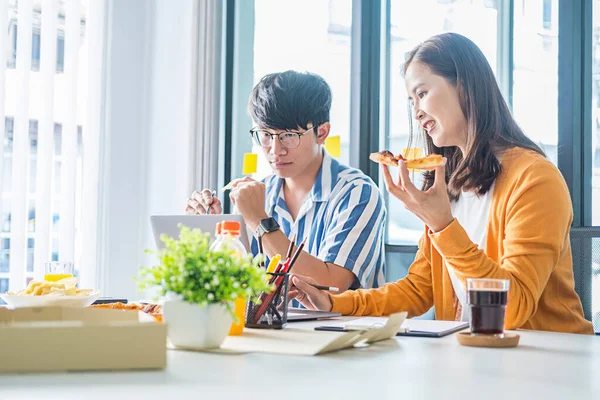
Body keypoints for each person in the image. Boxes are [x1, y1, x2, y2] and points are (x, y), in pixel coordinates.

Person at [290, 33, 594, 334]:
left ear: (464, 86)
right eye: (412, 100)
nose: (417, 111)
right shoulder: (448, 183)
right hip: (474, 359)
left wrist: (443, 225)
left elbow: (511, 308)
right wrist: (332, 302)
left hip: (548, 362)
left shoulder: (534, 179)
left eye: (422, 93)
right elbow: (417, 291)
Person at [186, 71, 386, 291]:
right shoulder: (259, 195)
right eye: (265, 135)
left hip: (342, 326)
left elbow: (332, 287)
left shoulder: (357, 193)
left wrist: (260, 221)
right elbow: (236, 291)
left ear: (322, 132)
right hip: (264, 327)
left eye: (289, 136)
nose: (275, 150)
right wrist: (213, 233)